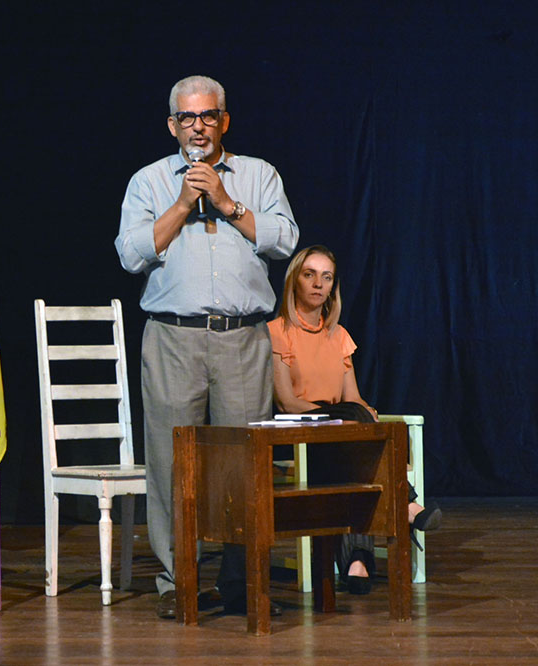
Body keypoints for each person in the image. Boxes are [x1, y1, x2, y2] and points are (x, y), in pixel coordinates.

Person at [115, 75, 299, 618]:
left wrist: (226, 202)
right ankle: (180, 582)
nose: (199, 127)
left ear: (225, 121)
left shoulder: (259, 175)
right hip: (173, 337)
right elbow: (130, 254)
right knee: (173, 464)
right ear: (172, 125)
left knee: (244, 462)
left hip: (243, 338)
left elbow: (286, 240)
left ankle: (242, 581)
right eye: (188, 118)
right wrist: (182, 203)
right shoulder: (149, 181)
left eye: (208, 116)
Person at [268, 244, 442, 594]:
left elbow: (354, 397)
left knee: (360, 433)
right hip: (299, 432)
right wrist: (344, 419)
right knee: (354, 427)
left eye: (326, 277)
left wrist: (364, 414)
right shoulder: (277, 331)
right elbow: (287, 402)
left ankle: (357, 560)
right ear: (294, 281)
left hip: (341, 435)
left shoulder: (339, 335)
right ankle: (404, 505)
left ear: (333, 286)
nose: (318, 284)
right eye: (309, 275)